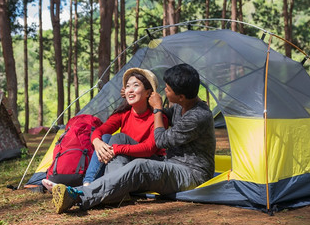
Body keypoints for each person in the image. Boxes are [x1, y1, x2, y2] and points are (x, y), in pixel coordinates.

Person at [50, 63, 216, 213]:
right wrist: (136, 96)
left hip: (192, 174)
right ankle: (115, 194)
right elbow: (162, 113)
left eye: (168, 89)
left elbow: (161, 140)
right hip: (171, 164)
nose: (164, 90)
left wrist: (157, 108)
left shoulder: (198, 116)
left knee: (140, 166)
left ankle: (80, 195)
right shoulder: (182, 106)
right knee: (119, 138)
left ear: (181, 96)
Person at [42, 67, 168, 191]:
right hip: (126, 159)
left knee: (118, 138)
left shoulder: (158, 116)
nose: (130, 90)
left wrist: (116, 149)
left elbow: (148, 149)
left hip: (149, 163)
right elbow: (99, 131)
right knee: (105, 137)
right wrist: (97, 142)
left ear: (148, 92)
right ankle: (87, 184)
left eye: (135, 85)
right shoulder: (123, 113)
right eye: (128, 86)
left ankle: (87, 188)